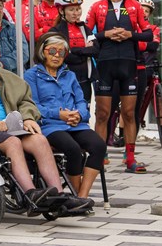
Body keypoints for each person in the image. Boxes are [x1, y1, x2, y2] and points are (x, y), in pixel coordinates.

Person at [0, 32, 89, 211]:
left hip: (12, 125)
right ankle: (30, 193)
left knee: (39, 140)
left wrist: (28, 117)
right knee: (13, 142)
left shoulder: (3, 74)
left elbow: (26, 100)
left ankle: (59, 196)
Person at [86, 0, 154, 173]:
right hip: (105, 66)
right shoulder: (97, 7)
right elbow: (86, 34)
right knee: (102, 114)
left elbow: (149, 35)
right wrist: (105, 35)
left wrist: (129, 35)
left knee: (129, 113)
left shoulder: (134, 6)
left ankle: (130, 159)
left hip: (129, 64)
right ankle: (98, 158)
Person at [25, 36, 107, 201]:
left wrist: (80, 115)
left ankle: (82, 196)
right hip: (50, 126)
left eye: (61, 52)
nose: (56, 56)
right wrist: (59, 114)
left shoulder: (70, 75)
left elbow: (81, 101)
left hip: (75, 124)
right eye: (52, 51)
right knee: (73, 149)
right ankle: (75, 197)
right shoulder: (31, 75)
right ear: (42, 52)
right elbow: (33, 105)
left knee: (99, 146)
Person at [45, 0, 96, 101]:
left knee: (84, 110)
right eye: (71, 10)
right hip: (64, 79)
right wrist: (85, 50)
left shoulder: (84, 28)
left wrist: (74, 51)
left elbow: (96, 50)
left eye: (78, 9)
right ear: (61, 11)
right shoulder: (55, 31)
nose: (76, 13)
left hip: (85, 80)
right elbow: (63, 56)